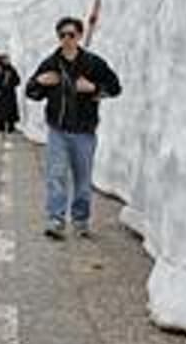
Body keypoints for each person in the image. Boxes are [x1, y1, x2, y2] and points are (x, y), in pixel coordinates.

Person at [25, 16, 122, 239]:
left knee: (82, 178)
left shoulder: (93, 63)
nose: (67, 39)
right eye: (62, 35)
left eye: (71, 35)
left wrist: (94, 88)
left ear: (79, 36)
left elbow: (115, 88)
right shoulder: (51, 63)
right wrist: (40, 83)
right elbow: (31, 92)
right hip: (58, 131)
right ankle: (56, 220)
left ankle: (80, 220)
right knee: (56, 175)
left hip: (84, 132)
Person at [0, 53, 22, 135]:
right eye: (6, 59)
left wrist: (10, 83)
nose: (7, 61)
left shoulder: (11, 69)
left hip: (8, 94)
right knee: (2, 111)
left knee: (8, 111)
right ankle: (2, 127)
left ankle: (10, 127)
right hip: (3, 94)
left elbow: (17, 80)